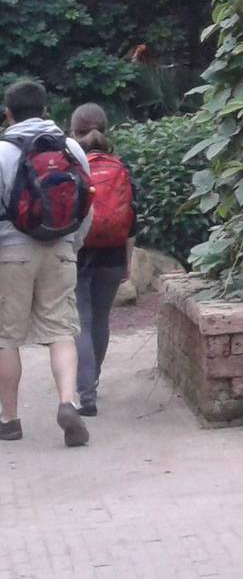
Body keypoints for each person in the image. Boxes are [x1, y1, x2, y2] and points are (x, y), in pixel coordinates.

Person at [0, 80, 92, 447]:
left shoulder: (2, 152)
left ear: (8, 114)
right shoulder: (70, 148)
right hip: (60, 247)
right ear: (46, 110)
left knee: (6, 337)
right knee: (60, 330)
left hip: (11, 253)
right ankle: (68, 402)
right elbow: (87, 203)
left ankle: (9, 419)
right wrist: (73, 243)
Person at [69, 103, 138, 416]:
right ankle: (93, 378)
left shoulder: (71, 166)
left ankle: (86, 396)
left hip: (77, 253)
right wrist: (127, 262)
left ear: (73, 131)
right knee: (100, 319)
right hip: (112, 253)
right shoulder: (120, 166)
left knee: (81, 321)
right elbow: (132, 221)